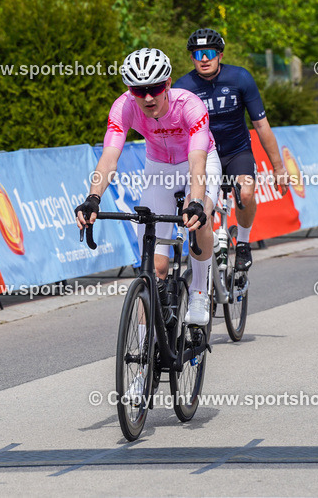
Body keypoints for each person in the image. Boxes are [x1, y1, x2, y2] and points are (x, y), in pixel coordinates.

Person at [75, 48, 221, 326]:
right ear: (130, 91)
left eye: (155, 88)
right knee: (154, 268)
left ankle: (200, 292)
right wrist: (93, 198)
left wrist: (195, 202)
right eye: (139, 91)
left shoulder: (189, 105)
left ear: (168, 84)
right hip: (159, 167)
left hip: (199, 161)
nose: (148, 97)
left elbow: (197, 162)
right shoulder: (123, 107)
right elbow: (109, 157)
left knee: (199, 217)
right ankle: (144, 345)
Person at [172, 28, 289, 273]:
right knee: (201, 209)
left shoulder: (240, 78)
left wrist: (278, 168)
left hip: (237, 151)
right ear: (192, 58)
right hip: (205, 156)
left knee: (245, 194)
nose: (204, 59)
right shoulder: (183, 87)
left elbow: (261, 125)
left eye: (210, 53)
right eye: (198, 54)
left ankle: (243, 243)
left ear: (220, 55)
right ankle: (206, 268)